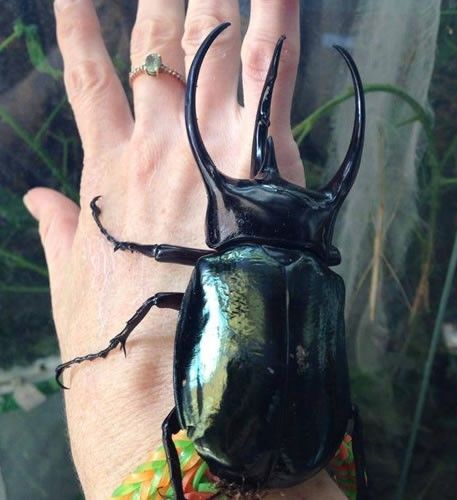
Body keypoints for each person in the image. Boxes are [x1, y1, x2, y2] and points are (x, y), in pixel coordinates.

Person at [23, 1, 347, 498]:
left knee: (158, 311)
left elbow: (159, 286)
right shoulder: (324, 287)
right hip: (307, 450)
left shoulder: (234, 271)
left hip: (246, 445)